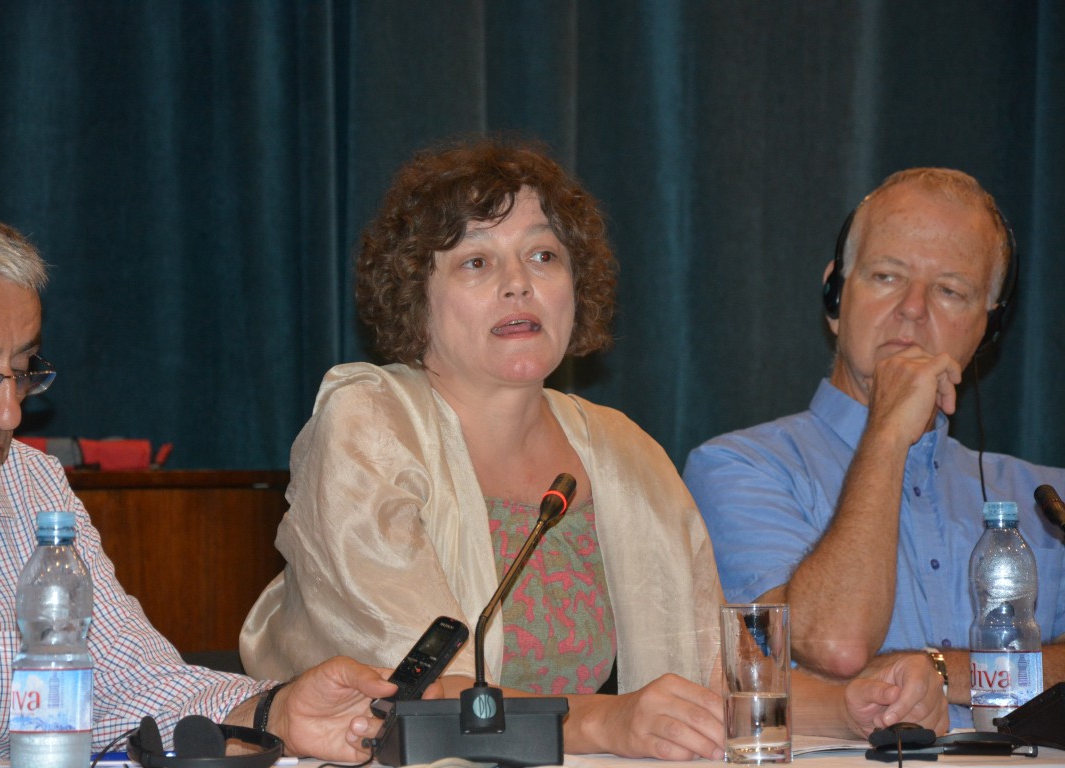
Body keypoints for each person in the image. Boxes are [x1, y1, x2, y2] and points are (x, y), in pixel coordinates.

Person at [240, 139, 948, 760]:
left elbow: (710, 679)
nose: (519, 283)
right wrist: (608, 720)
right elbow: (407, 692)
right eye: (476, 261)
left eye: (543, 255)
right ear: (414, 296)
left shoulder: (622, 450)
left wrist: (853, 707)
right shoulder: (368, 424)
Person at [0, 198, 399, 762]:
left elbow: (136, 686)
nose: (9, 413)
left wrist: (275, 713)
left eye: (20, 373)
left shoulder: (27, 483)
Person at [683, 168, 1065, 728]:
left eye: (950, 290)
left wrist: (943, 671)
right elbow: (835, 644)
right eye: (887, 276)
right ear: (835, 297)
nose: (912, 308)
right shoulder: (737, 468)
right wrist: (887, 432)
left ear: (988, 328)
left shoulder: (1046, 498)